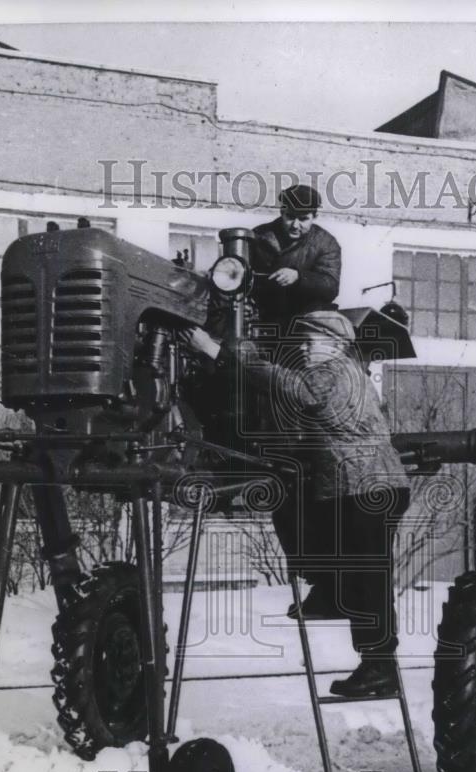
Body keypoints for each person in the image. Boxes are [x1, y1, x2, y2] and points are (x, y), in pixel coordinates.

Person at [184, 312, 410, 698]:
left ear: (337, 344)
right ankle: (332, 595)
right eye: (302, 341)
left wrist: (218, 352)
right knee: (311, 520)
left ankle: (379, 666)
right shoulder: (344, 370)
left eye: (313, 341)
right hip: (358, 485)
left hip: (365, 486)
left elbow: (292, 387)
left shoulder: (336, 371)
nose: (305, 349)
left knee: (368, 576)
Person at [250, 183, 342, 337]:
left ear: (315, 217)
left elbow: (330, 286)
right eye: (290, 217)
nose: (295, 225)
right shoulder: (258, 235)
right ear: (282, 212)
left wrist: (299, 277)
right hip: (262, 322)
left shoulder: (326, 243)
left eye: (303, 219)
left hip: (303, 327)